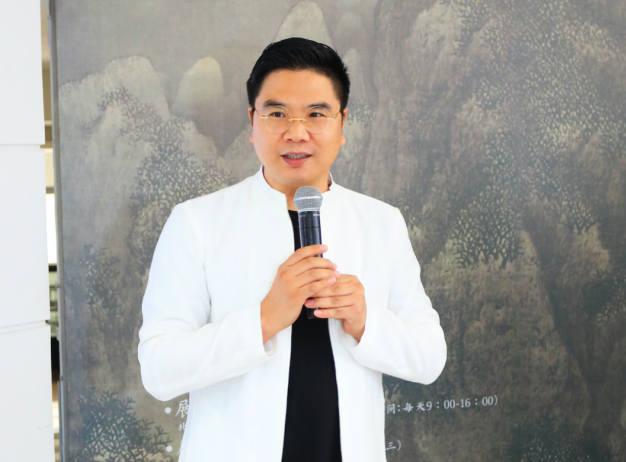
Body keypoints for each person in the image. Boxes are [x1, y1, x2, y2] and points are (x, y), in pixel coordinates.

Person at [138, 37, 447, 462]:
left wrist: (365, 320)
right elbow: (158, 369)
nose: (296, 132)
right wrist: (264, 319)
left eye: (316, 114)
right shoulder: (197, 223)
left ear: (342, 124)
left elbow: (429, 358)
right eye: (277, 113)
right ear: (252, 122)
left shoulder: (382, 223)